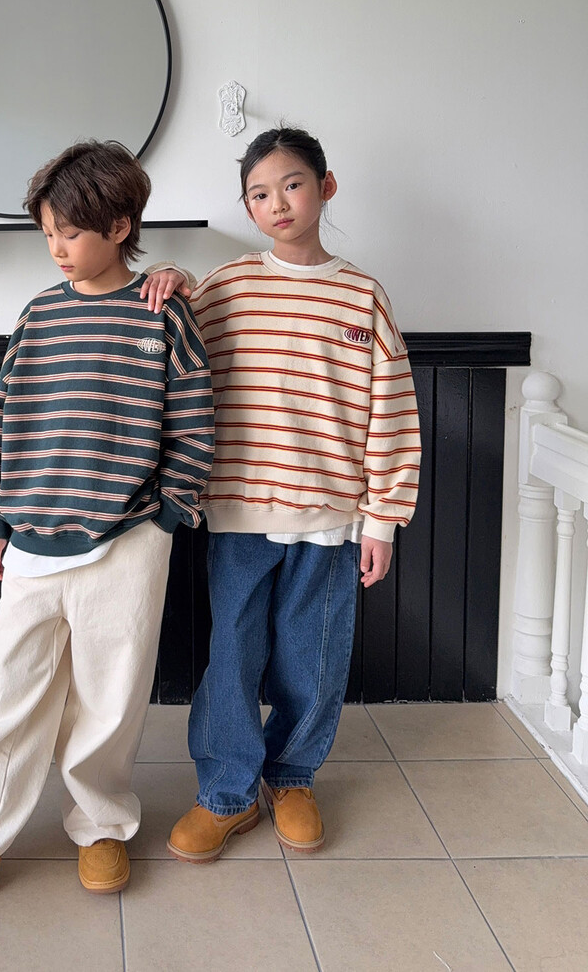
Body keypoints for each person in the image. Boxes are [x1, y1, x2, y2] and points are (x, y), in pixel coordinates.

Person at [0, 140, 215, 895]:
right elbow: (5, 416)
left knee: (110, 696)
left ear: (120, 226)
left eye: (71, 232)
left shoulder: (163, 313)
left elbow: (194, 419)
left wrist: (167, 516)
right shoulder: (39, 315)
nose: (57, 247)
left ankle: (101, 826)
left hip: (130, 537)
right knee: (7, 692)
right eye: (49, 232)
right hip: (31, 535)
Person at [140, 125, 420, 859]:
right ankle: (226, 793)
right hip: (238, 508)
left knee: (313, 656)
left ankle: (291, 777)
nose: (278, 203)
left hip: (332, 515)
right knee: (232, 652)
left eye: (292, 184)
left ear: (325, 187)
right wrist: (168, 274)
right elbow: (175, 334)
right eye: (259, 194)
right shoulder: (231, 284)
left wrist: (382, 520)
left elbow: (391, 408)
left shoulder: (362, 295)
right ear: (248, 208)